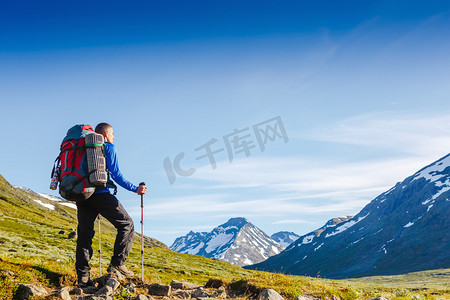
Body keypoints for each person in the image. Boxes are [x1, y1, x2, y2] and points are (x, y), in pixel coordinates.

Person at [76, 122, 147, 287]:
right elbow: (116, 174)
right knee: (127, 224)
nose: (114, 137)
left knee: (85, 236)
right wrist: (135, 189)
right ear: (106, 134)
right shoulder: (108, 147)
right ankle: (117, 264)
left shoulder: (83, 149)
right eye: (113, 133)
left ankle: (83, 278)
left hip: (83, 195)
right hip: (100, 194)